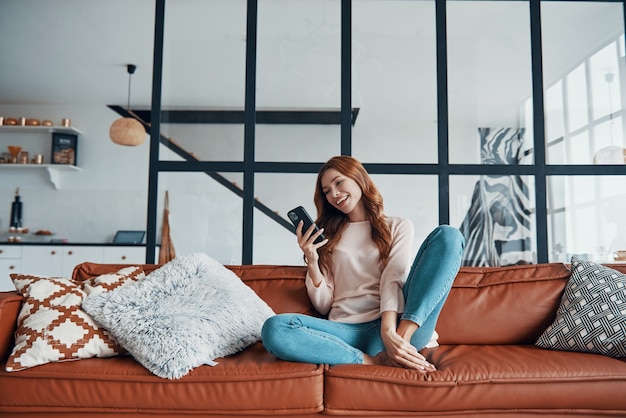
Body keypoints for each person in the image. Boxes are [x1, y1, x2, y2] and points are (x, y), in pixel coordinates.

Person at [262, 156, 465, 371]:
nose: (334, 194)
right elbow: (323, 305)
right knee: (275, 328)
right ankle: (375, 361)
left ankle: (402, 346)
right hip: (346, 331)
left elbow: (392, 278)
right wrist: (312, 260)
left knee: (448, 236)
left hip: (397, 324)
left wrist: (391, 334)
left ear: (359, 178)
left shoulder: (398, 226)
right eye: (327, 191)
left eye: (339, 183)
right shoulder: (327, 237)